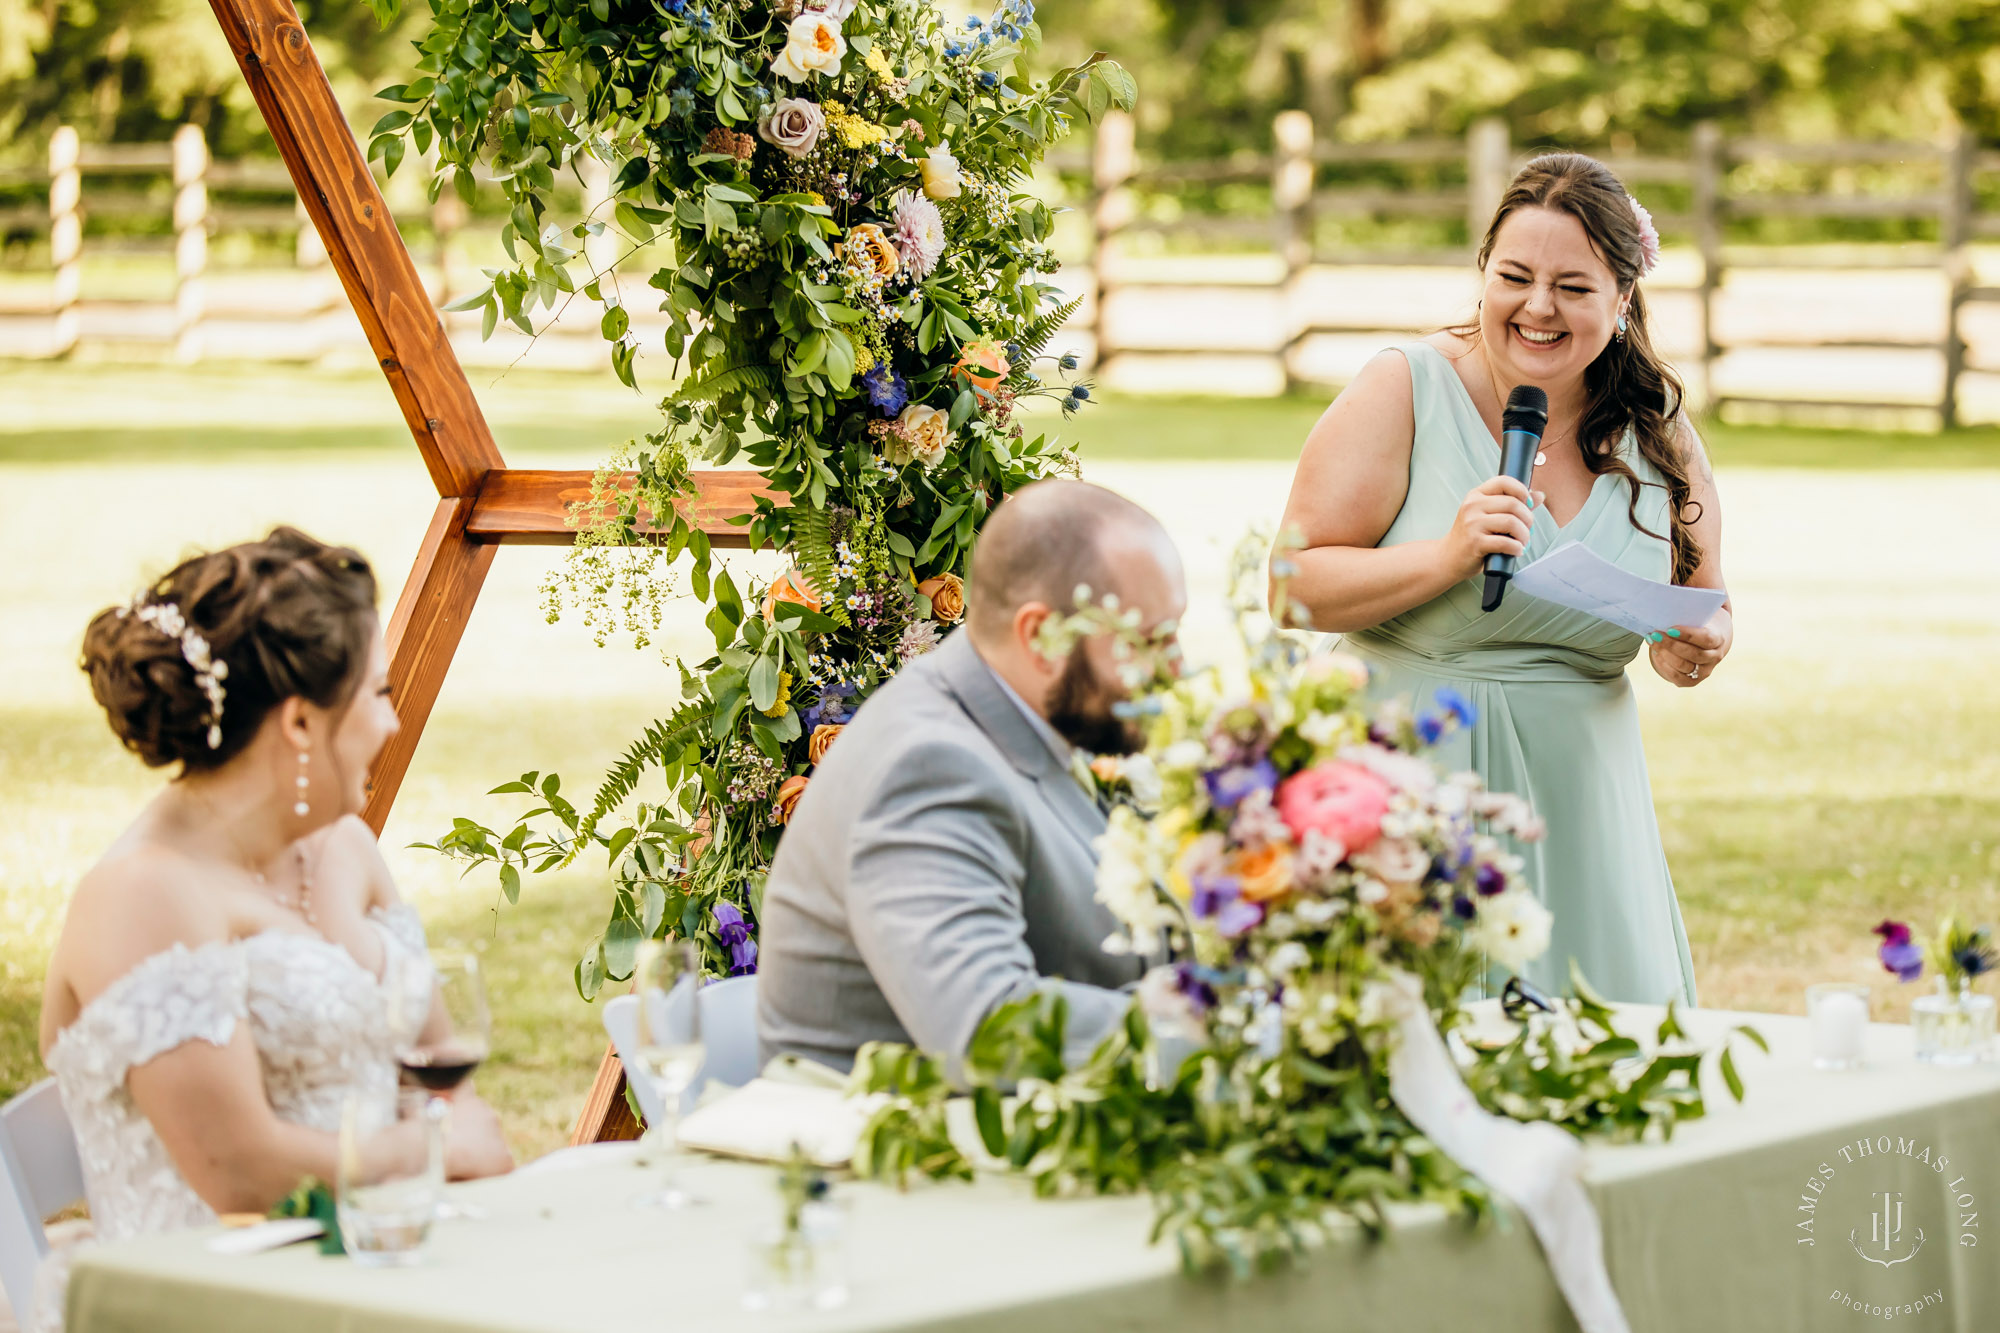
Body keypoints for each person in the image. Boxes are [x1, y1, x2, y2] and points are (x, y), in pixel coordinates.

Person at [1274, 153, 1730, 1007]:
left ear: (1622, 300)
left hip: (1582, 805)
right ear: (1483, 273)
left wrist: (1698, 646)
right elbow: (1290, 584)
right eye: (1514, 276)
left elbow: (1706, 602)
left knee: (1605, 1068)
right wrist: (1445, 557)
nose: (1538, 307)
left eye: (1573, 286)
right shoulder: (1404, 387)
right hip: (1405, 788)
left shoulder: (1658, 425)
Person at [32, 528, 512, 1331]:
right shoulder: (142, 893)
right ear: (299, 724)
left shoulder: (346, 850)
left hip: (384, 1277)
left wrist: (451, 1143)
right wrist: (428, 1155)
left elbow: (447, 1082)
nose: (392, 725)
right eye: (377, 695)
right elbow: (239, 1173)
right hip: (216, 1304)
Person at [757, 479, 1187, 1074]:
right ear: (1040, 638)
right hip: (900, 1150)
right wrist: (1214, 1034)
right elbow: (985, 1025)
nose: (1176, 669)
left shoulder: (1014, 719)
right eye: (1148, 640)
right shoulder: (929, 765)